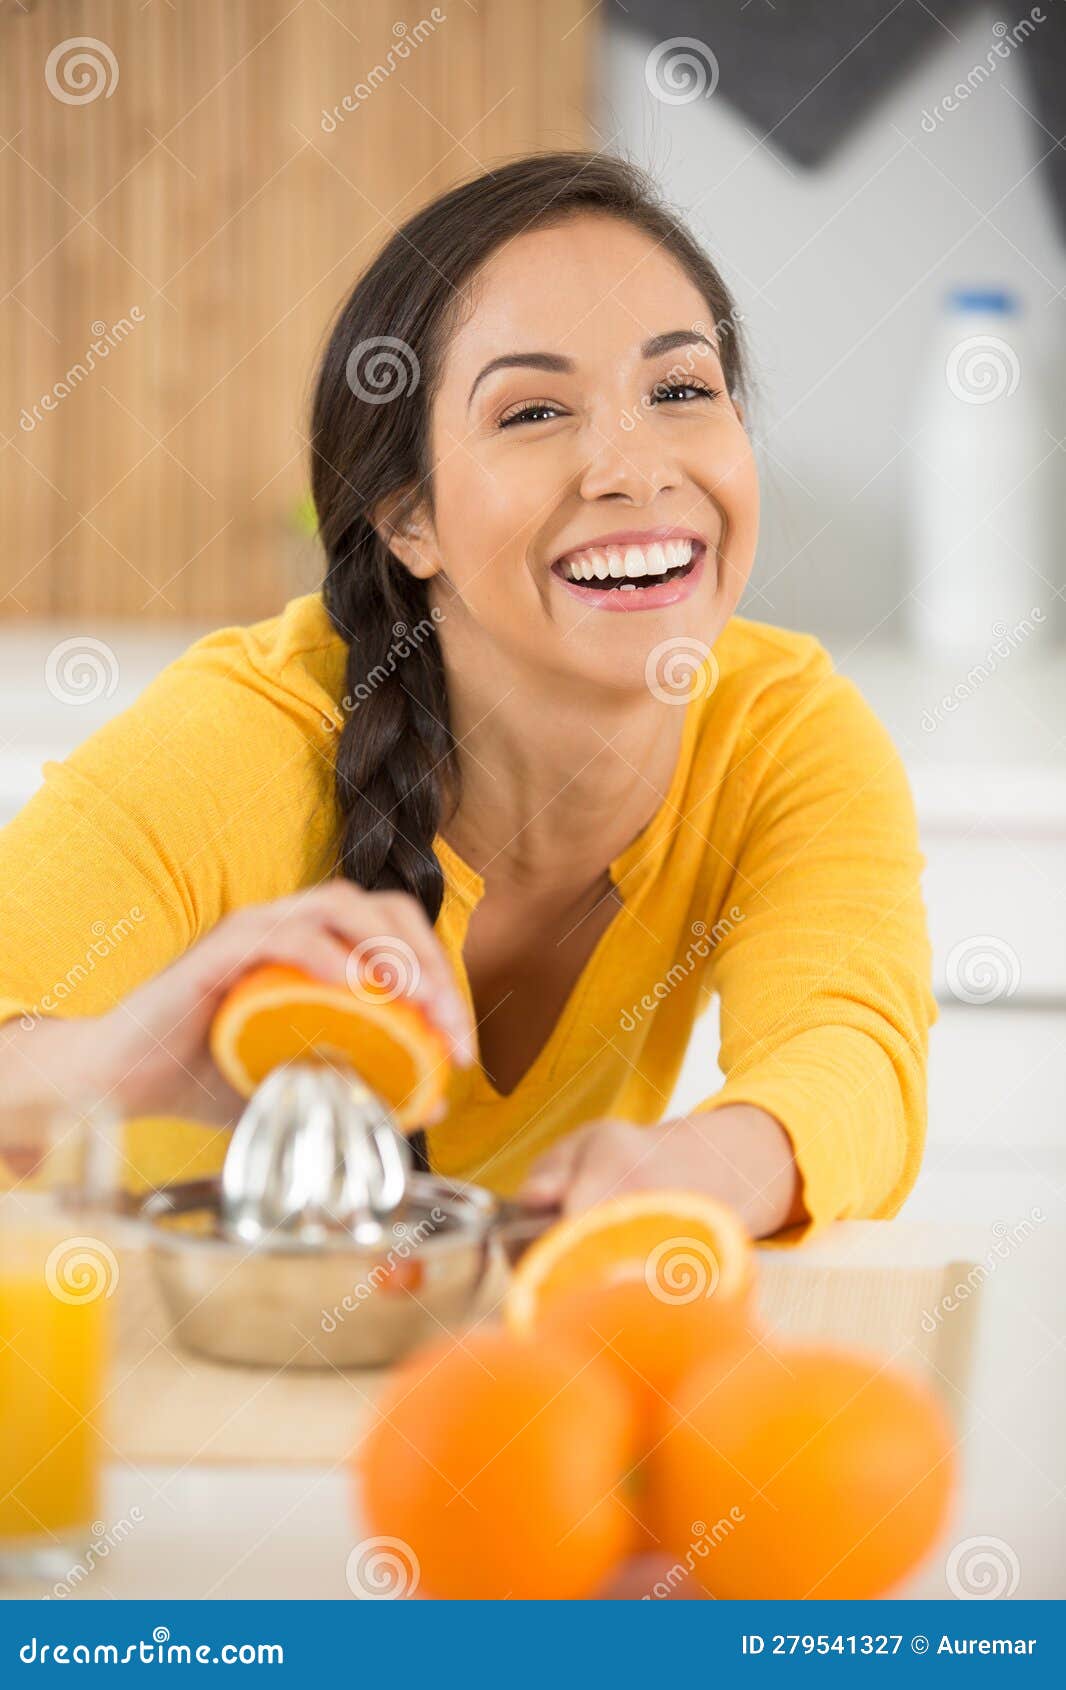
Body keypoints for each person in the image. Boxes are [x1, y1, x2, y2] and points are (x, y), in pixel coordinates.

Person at [0, 152, 937, 1241]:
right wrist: (124, 1061)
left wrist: (695, 1168)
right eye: (534, 412)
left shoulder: (781, 733)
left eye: (680, 391)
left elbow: (851, 1050)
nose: (632, 469)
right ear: (409, 521)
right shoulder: (242, 736)